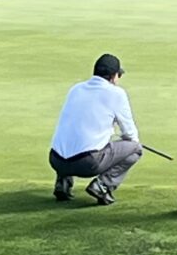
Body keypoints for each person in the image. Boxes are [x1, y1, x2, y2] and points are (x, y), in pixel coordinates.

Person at [49, 54, 143, 206]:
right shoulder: (116, 93)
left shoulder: (76, 89)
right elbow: (130, 134)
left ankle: (62, 184)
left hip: (56, 160)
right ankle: (103, 185)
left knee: (71, 139)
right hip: (87, 164)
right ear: (113, 76)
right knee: (135, 149)